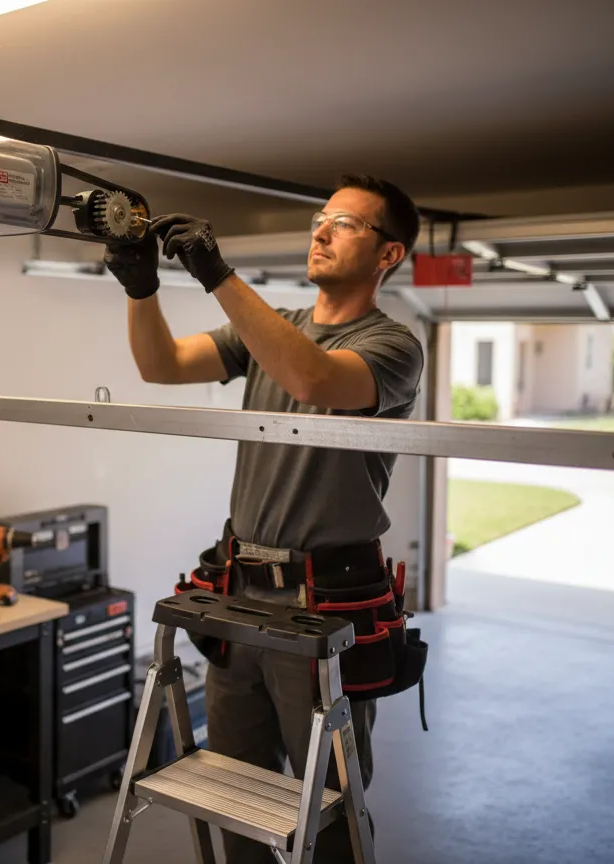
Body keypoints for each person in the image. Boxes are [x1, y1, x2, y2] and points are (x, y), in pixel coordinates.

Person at [105, 174, 425, 863]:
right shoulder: (270, 328)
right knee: (234, 789)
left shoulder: (395, 348)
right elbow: (160, 365)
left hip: (323, 601)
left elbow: (313, 378)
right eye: (321, 217)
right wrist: (140, 289)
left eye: (345, 223)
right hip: (241, 593)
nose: (322, 230)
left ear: (387, 255)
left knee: (331, 799)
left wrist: (218, 275)